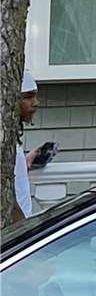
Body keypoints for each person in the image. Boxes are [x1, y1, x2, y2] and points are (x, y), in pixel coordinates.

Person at [12, 69, 42, 224]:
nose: (36, 103)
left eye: (35, 96)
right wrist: (21, 226)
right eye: (28, 97)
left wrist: (23, 163)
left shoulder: (10, 135)